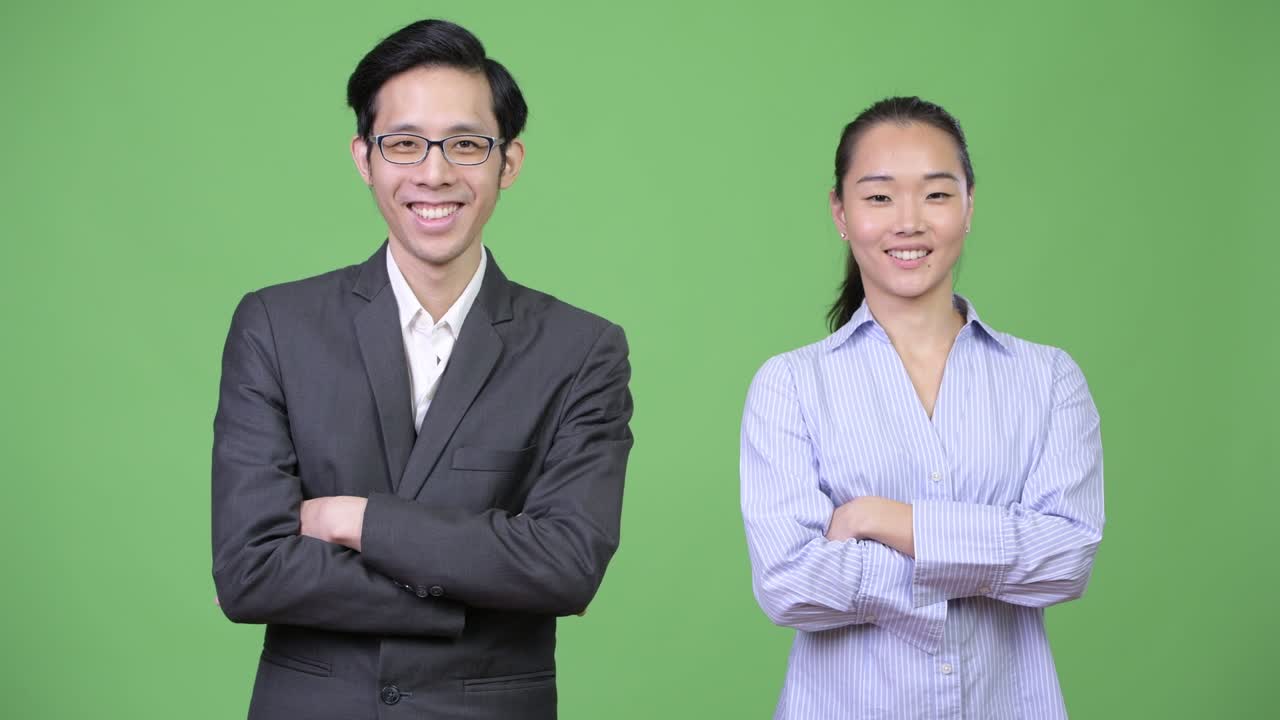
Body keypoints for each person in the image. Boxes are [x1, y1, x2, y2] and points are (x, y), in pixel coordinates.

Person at [211, 19, 633, 720]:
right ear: (364, 158)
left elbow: (566, 565)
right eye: (404, 144)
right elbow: (250, 572)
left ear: (509, 162)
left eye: (466, 145)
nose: (434, 173)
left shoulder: (581, 349)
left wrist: (359, 519)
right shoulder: (276, 327)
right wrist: (469, 586)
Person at [740, 96, 1104, 719]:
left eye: (936, 194)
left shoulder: (1048, 379)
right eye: (878, 197)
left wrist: (884, 520)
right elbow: (789, 584)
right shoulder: (791, 385)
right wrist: (984, 558)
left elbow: (1067, 559)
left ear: (969, 206)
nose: (908, 221)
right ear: (841, 212)